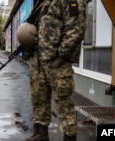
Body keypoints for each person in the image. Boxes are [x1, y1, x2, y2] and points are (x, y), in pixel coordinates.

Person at [23, 0, 86, 141]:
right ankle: (40, 134)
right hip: (38, 59)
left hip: (57, 60)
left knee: (63, 101)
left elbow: (77, 27)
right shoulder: (41, 3)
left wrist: (61, 55)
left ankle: (69, 136)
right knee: (38, 98)